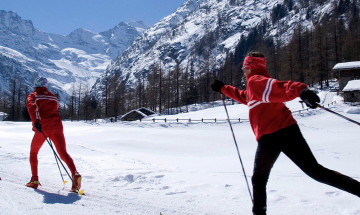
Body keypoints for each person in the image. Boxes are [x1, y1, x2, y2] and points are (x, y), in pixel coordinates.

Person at [211, 51, 360, 215]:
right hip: (282, 132)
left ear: (250, 67)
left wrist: (301, 91)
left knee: (259, 179)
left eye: (245, 66)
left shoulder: (256, 82)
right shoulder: (254, 87)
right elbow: (245, 97)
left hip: (275, 135)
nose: (243, 70)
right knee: (315, 172)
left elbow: (280, 87)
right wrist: (224, 88)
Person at [26, 77, 82, 192]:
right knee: (63, 153)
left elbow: (32, 108)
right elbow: (55, 110)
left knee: (33, 152)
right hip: (57, 127)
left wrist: (36, 122)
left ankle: (34, 179)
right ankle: (75, 174)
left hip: (43, 127)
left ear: (35, 85)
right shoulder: (53, 96)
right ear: (46, 85)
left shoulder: (33, 96)